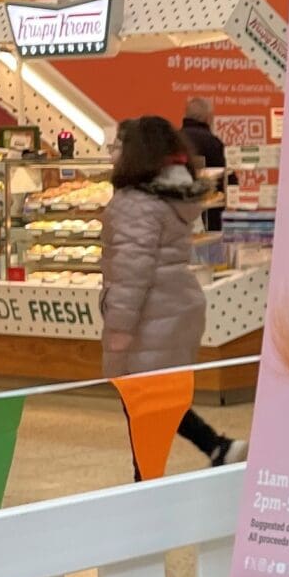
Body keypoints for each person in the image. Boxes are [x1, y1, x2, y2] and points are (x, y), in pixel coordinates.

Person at [101, 116, 242, 471]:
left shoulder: (134, 203)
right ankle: (217, 447)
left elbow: (132, 272)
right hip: (177, 308)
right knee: (160, 398)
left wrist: (119, 329)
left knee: (141, 405)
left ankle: (147, 486)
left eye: (120, 147)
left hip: (149, 316)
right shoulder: (173, 197)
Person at [180, 96, 227, 230]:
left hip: (180, 213)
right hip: (209, 214)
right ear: (208, 118)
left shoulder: (174, 140)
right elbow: (223, 178)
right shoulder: (213, 143)